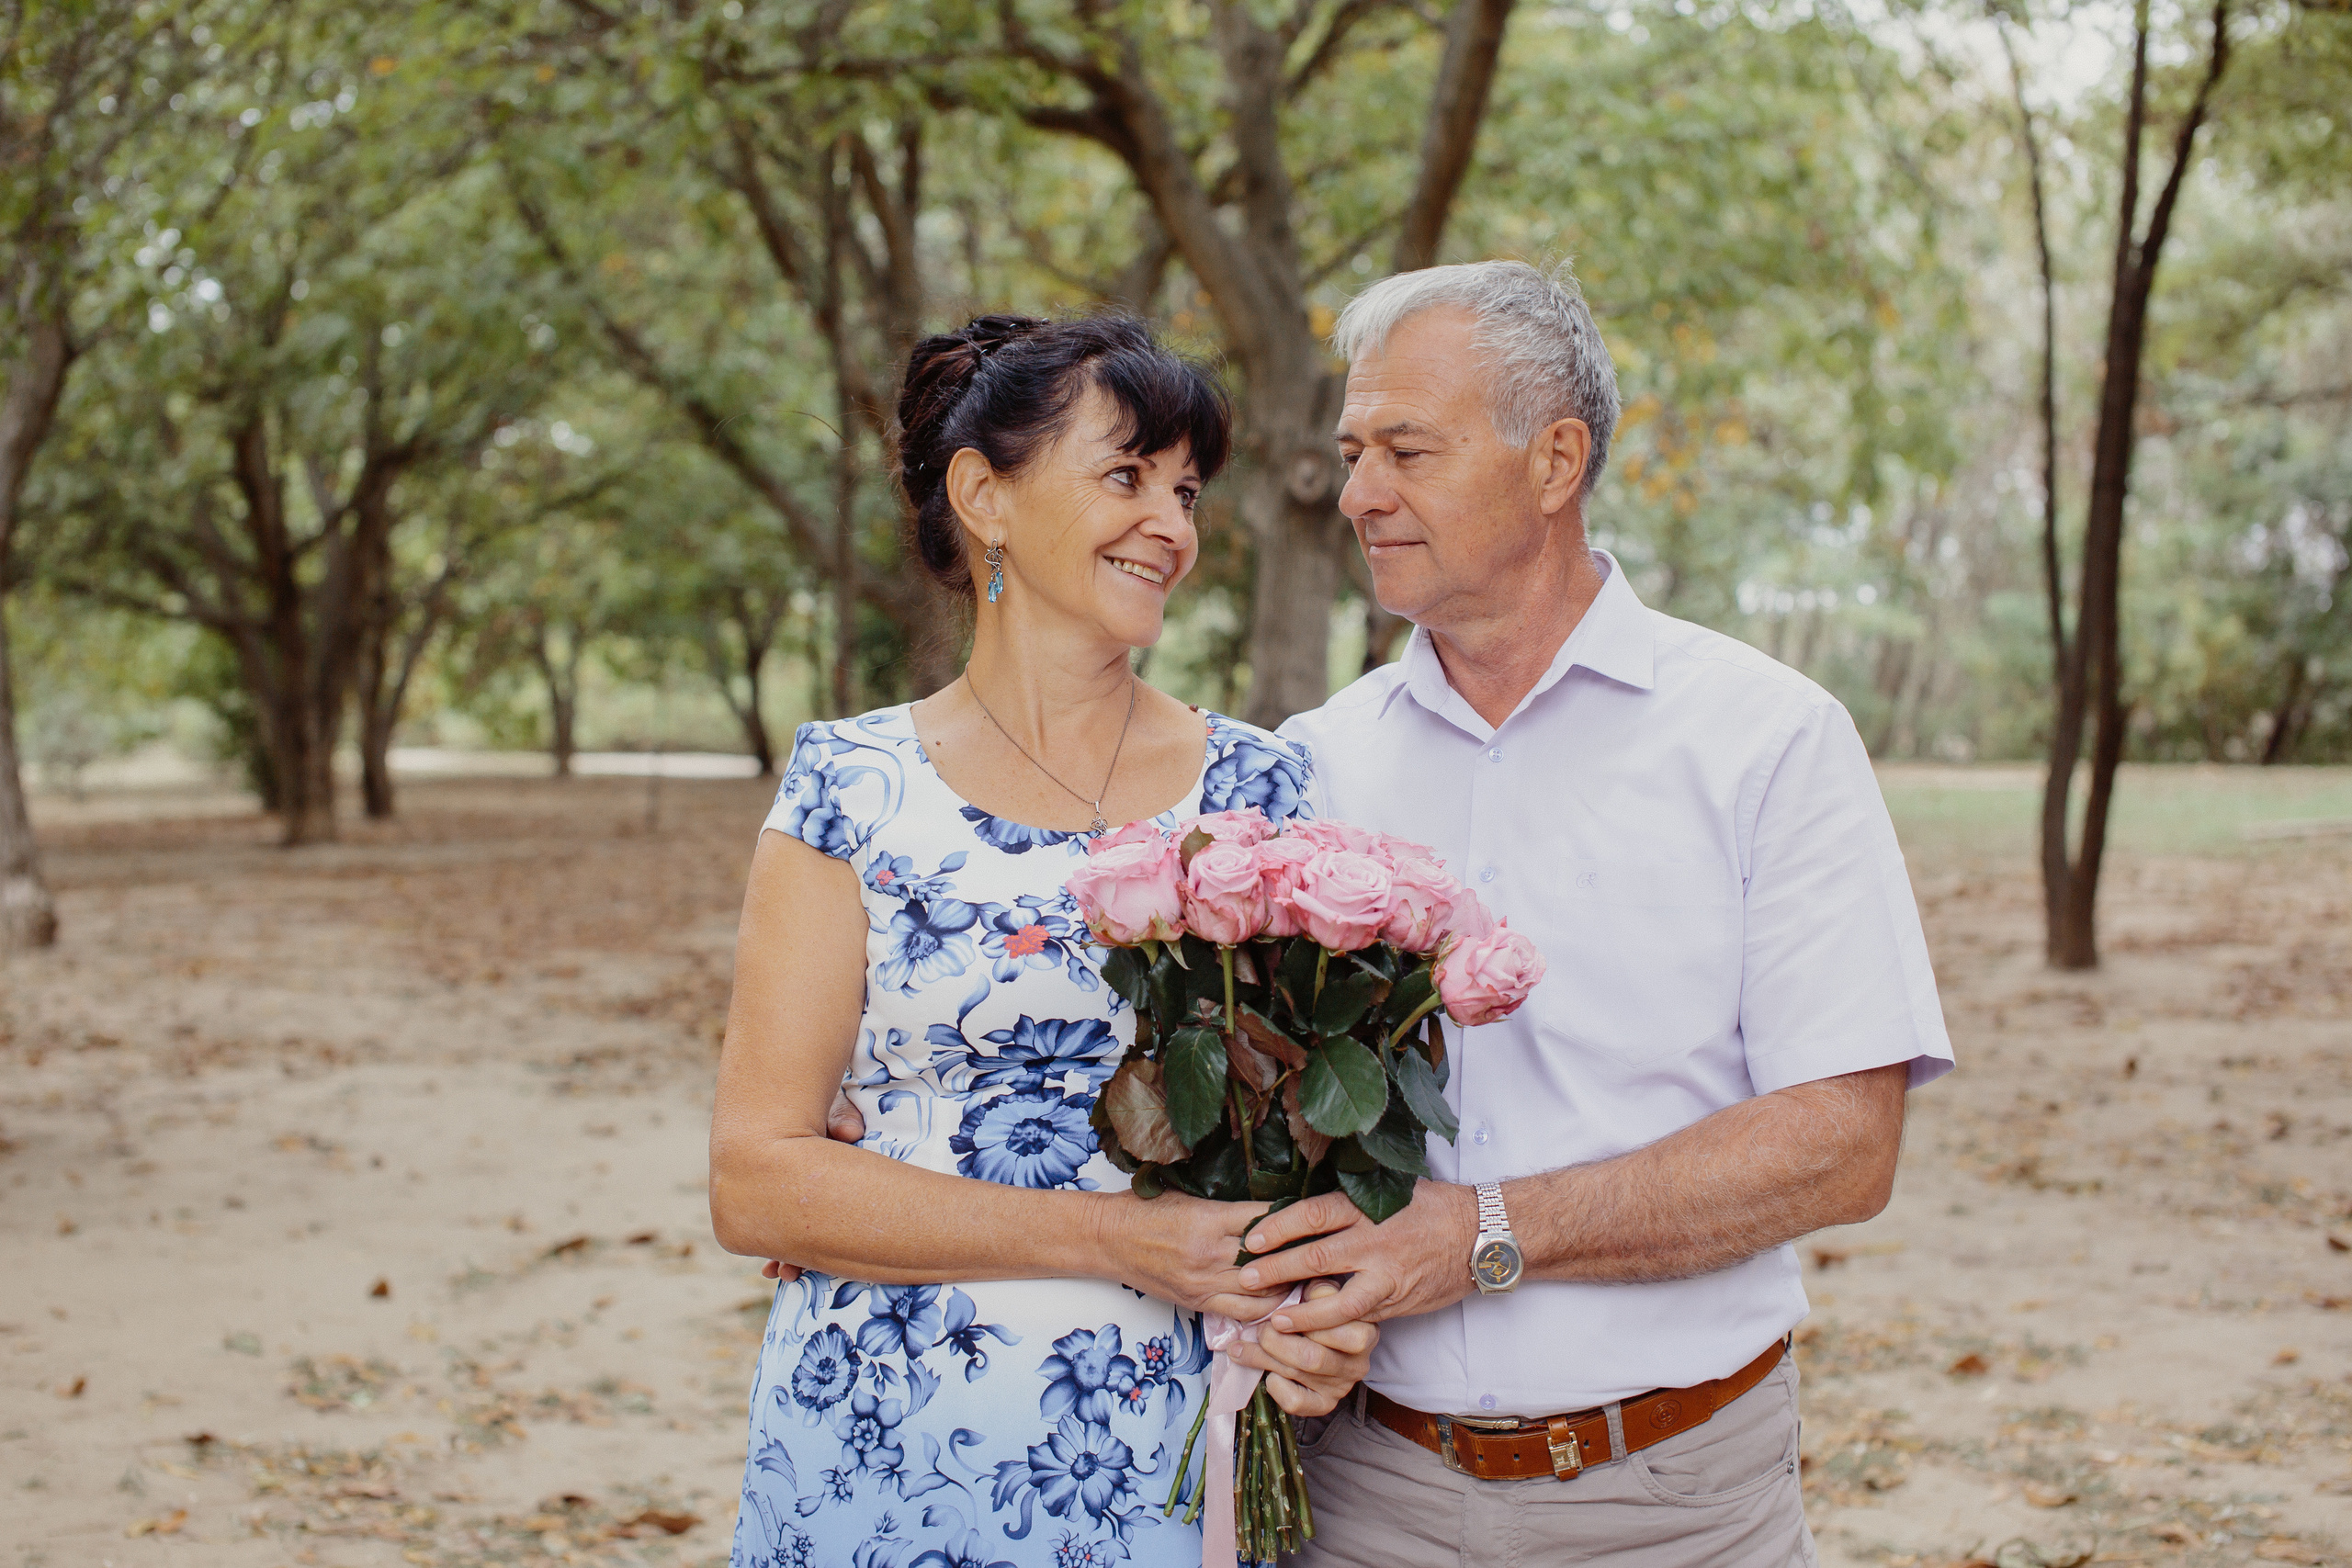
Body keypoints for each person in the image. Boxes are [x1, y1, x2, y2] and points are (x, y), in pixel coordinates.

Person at [1225, 259, 1957, 1565]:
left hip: (1673, 1501)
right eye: (1351, 453)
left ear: (1555, 459)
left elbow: (1846, 1143)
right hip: (1366, 1498)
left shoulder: (1766, 741)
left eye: (1406, 448)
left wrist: (1487, 1235)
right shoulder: (1312, 766)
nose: (1357, 495)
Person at [709, 314, 1378, 1568]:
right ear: (985, 497)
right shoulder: (848, 791)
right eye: (1125, 476)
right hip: (875, 1444)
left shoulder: (1263, 791)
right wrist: (1118, 1238)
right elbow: (756, 1180)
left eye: (1186, 490)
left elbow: (1312, 1159)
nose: (1173, 526)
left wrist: (1326, 1316)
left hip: (1171, 1451)